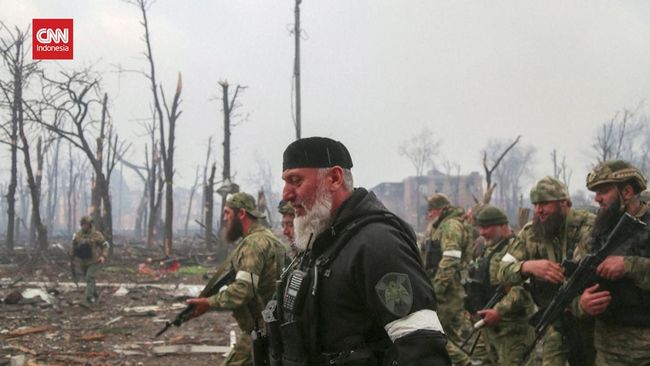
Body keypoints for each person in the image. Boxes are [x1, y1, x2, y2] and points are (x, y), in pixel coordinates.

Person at [271, 136, 450, 365]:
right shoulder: (322, 244)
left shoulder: (378, 245)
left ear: (334, 178)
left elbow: (422, 348)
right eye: (285, 182)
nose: (286, 194)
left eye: (296, 180)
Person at [497, 176, 595, 366]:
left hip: (590, 319)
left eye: (544, 204)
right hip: (555, 320)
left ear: (564, 203)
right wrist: (528, 267)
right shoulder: (530, 233)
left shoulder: (587, 226)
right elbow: (502, 271)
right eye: (535, 204)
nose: (538, 210)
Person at [187, 192, 285, 366]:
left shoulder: (254, 244)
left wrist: (209, 302)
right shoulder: (270, 239)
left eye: (227, 213)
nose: (225, 219)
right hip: (277, 329)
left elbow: (243, 290)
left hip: (263, 330)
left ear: (241, 214)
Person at [576, 160, 650, 365]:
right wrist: (582, 304)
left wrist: (629, 266)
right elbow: (571, 284)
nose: (597, 198)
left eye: (603, 191)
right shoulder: (595, 233)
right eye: (595, 192)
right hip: (608, 352)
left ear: (626, 192)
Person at [466, 205, 535, 365]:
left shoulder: (517, 249)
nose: (482, 232)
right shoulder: (487, 250)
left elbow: (523, 288)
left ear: (503, 226)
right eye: (480, 227)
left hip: (512, 330)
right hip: (488, 328)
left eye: (487, 227)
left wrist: (499, 311)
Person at [427, 193, 473, 366]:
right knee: (447, 338)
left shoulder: (450, 226)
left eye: (432, 210)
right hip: (446, 290)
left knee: (439, 337)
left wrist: (436, 289)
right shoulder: (441, 226)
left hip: (448, 292)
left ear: (442, 209)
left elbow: (451, 259)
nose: (429, 214)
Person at [70, 215, 110, 307]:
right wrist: (72, 257)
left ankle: (87, 299)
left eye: (86, 224)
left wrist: (103, 256)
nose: (85, 226)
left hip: (94, 261)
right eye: (83, 224)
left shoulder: (97, 235)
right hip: (83, 261)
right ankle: (95, 295)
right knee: (89, 280)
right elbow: (73, 246)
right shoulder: (78, 235)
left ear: (90, 225)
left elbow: (105, 245)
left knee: (89, 278)